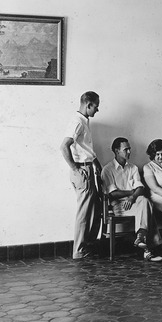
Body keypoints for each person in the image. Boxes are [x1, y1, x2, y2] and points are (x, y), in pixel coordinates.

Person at [102, 137, 162, 262]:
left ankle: (140, 237)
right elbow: (113, 194)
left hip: (135, 201)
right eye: (126, 149)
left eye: (129, 149)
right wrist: (131, 192)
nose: (129, 152)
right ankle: (147, 249)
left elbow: (140, 188)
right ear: (116, 151)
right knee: (148, 207)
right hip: (119, 206)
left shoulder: (133, 168)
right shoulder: (108, 169)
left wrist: (132, 197)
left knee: (145, 201)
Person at [60, 91, 102, 260]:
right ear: (88, 104)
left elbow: (85, 148)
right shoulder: (77, 122)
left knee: (93, 209)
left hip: (88, 169)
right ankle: (79, 250)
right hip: (82, 171)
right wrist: (75, 168)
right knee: (84, 212)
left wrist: (95, 162)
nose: (97, 110)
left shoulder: (84, 122)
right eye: (96, 107)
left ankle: (87, 246)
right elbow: (64, 146)